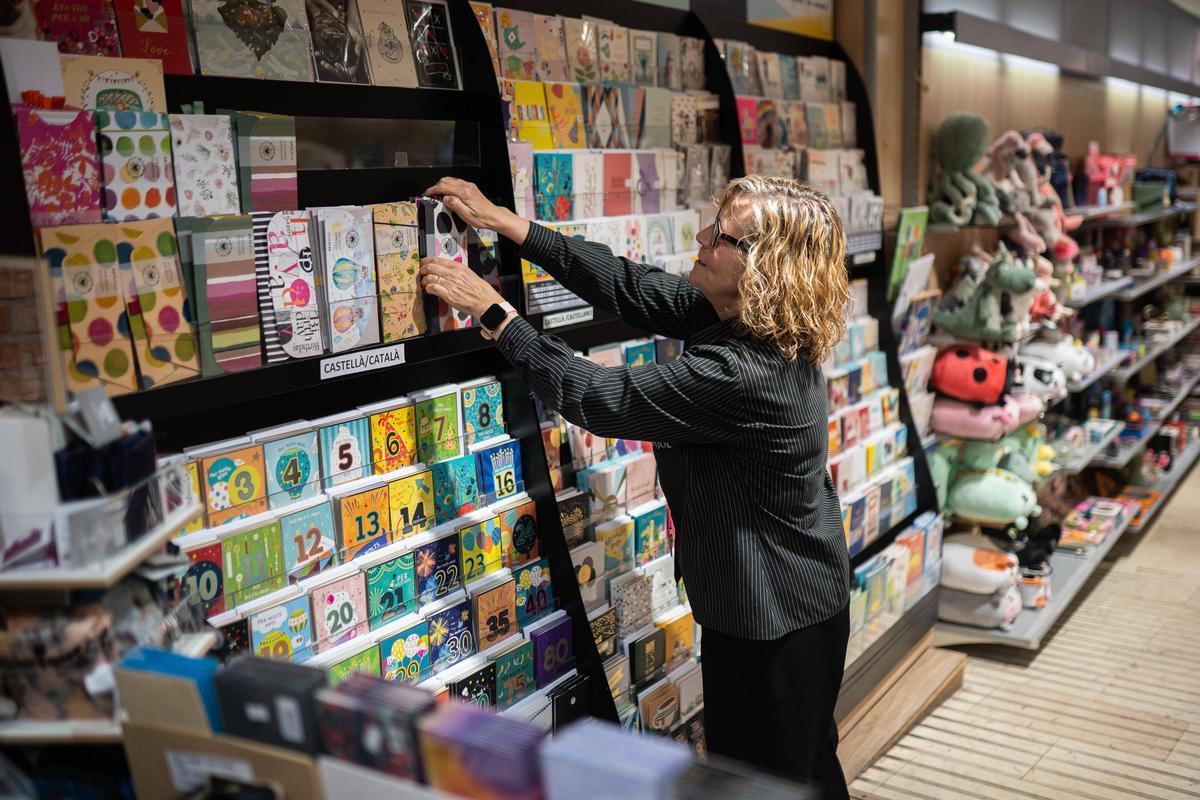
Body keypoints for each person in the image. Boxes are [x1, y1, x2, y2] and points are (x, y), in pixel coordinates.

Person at [419, 175, 852, 798]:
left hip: (776, 622)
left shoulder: (745, 372)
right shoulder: (747, 318)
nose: (702, 237)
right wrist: (509, 224)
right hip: (793, 597)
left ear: (766, 268)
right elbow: (630, 285)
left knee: (768, 782)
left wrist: (497, 315)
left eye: (723, 235)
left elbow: (602, 397)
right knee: (802, 768)